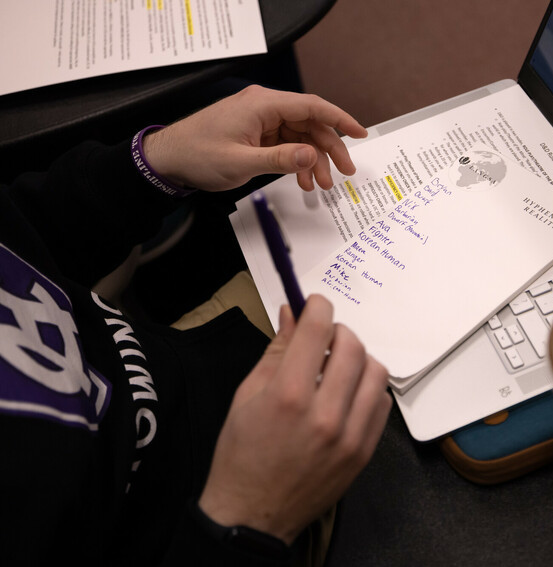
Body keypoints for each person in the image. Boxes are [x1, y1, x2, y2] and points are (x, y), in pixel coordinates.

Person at [0, 85, 392, 565]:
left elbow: (24, 238)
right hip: (241, 524)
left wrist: (155, 162)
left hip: (193, 358)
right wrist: (244, 519)